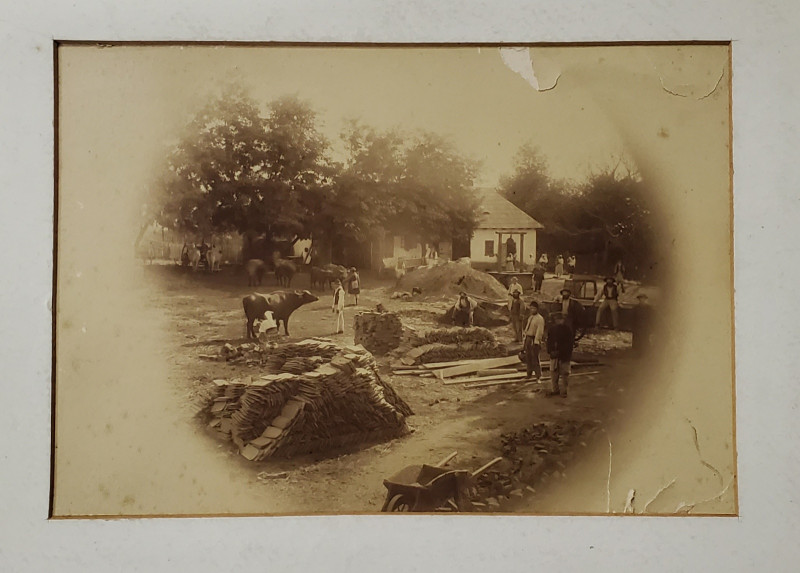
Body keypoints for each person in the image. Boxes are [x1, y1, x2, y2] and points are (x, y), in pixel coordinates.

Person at [546, 312, 574, 397]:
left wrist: (561, 352)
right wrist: (550, 351)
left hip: (564, 356)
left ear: (563, 320)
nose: (559, 321)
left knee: (565, 374)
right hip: (554, 355)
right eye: (557, 319)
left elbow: (569, 344)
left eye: (560, 319)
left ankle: (564, 391)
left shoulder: (568, 330)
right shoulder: (552, 329)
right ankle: (555, 390)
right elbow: (549, 341)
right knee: (554, 374)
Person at [522, 300, 545, 380]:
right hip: (528, 338)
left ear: (537, 309)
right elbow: (527, 328)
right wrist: (525, 339)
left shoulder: (540, 319)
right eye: (531, 308)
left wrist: (536, 342)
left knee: (535, 358)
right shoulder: (530, 317)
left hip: (534, 339)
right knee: (528, 357)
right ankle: (529, 374)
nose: (532, 310)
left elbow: (540, 331)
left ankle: (538, 376)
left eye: (534, 309)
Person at [632, 293, 654, 357]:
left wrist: (651, 327)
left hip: (645, 326)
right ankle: (638, 353)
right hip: (638, 326)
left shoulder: (649, 308)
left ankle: (646, 353)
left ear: (645, 300)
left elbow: (651, 318)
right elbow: (633, 318)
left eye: (643, 299)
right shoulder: (636, 308)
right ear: (639, 300)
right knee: (638, 340)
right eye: (640, 299)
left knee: (645, 339)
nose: (642, 300)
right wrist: (633, 327)